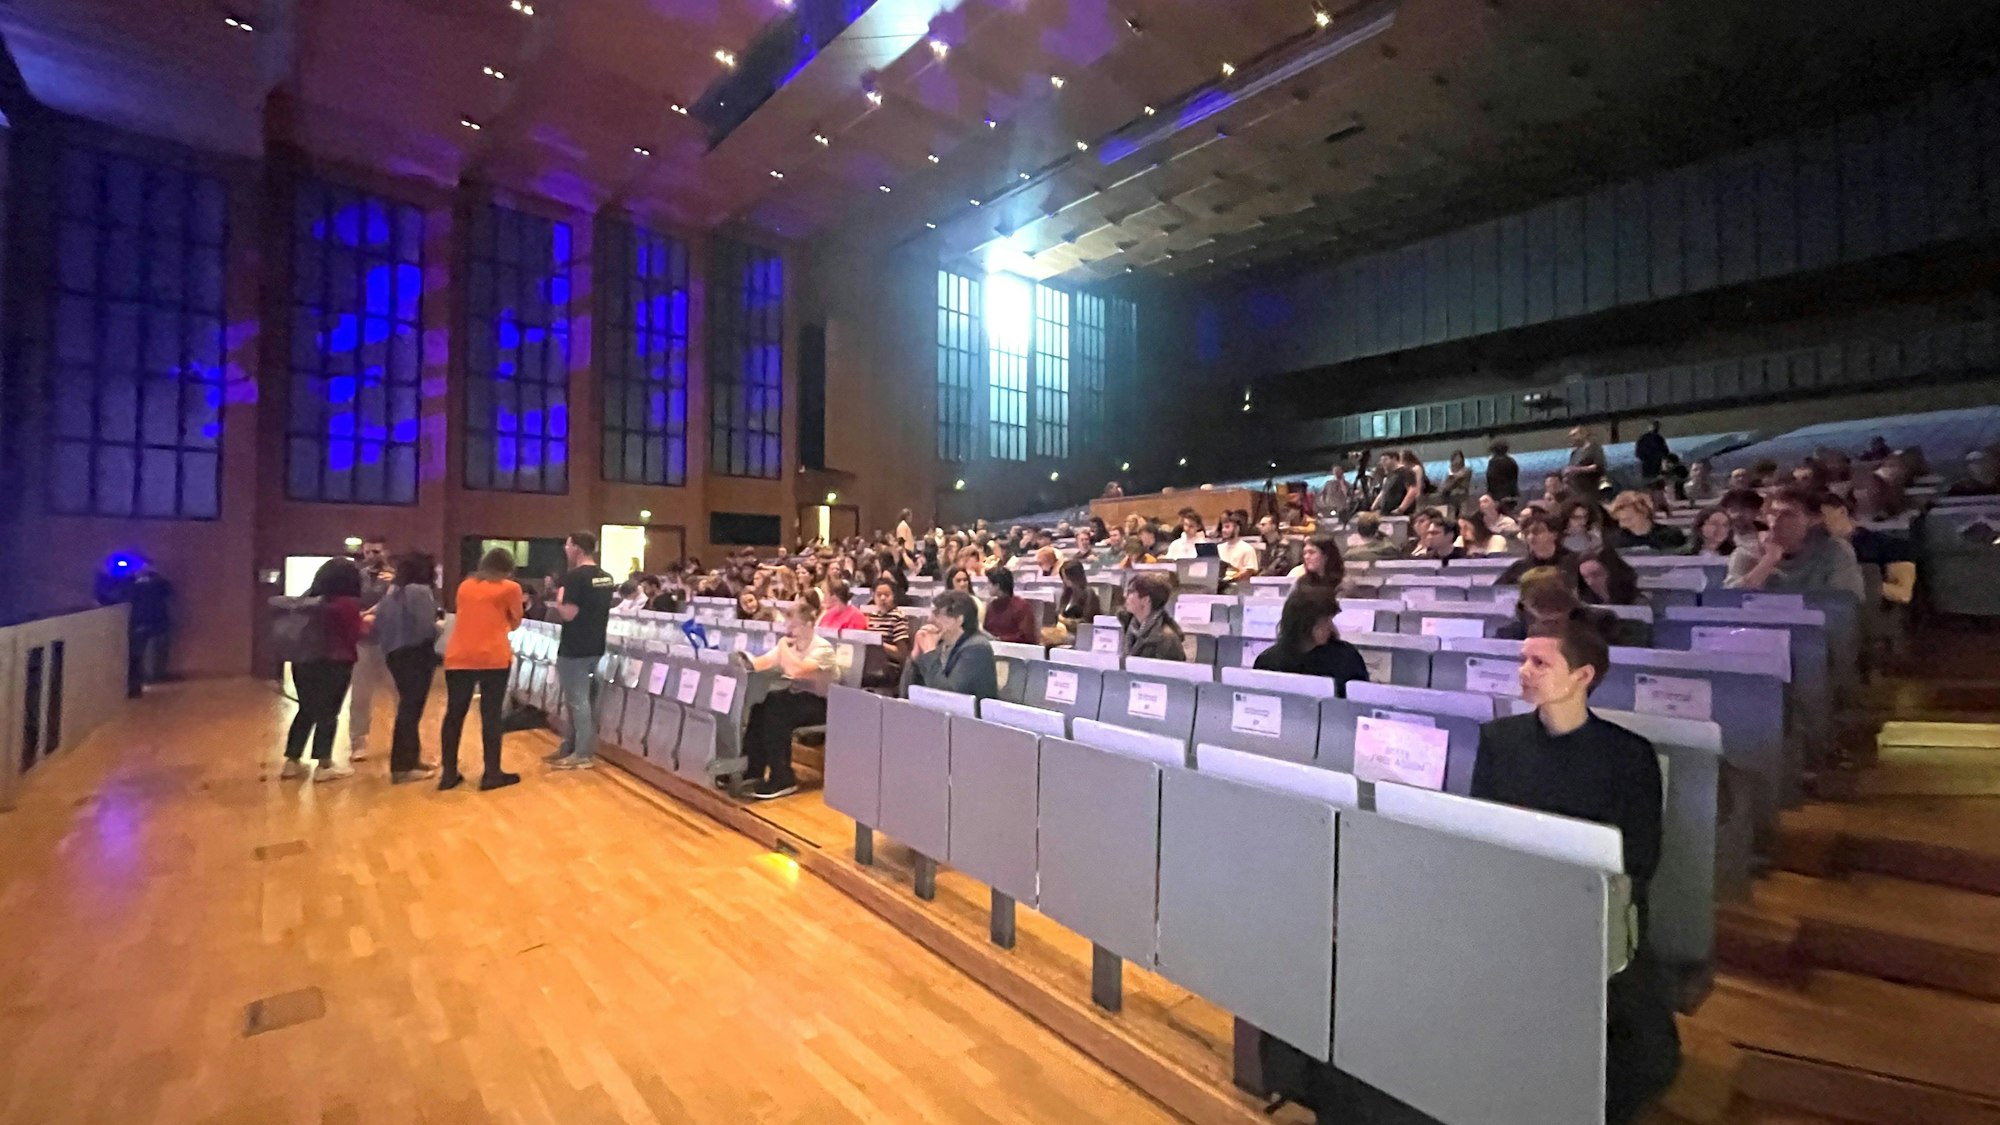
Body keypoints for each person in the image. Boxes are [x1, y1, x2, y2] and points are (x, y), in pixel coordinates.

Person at [1471, 621, 1679, 1124]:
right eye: (1523, 659)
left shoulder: (1629, 756)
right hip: (1515, 899)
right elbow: (1482, 831)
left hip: (1593, 906)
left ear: (1583, 675)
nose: (1524, 671)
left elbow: (1640, 860)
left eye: (1540, 663)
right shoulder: (1499, 740)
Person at [736, 592, 840, 800]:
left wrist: (783, 646)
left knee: (777, 707)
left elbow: (796, 670)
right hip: (796, 698)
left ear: (809, 624)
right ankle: (753, 770)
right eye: (787, 626)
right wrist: (743, 661)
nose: (788, 631)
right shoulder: (790, 645)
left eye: (793, 626)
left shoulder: (823, 648)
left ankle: (783, 777)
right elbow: (761, 664)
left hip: (823, 703)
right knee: (760, 705)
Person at [281, 558, 364, 782]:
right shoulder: (347, 603)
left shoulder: (308, 599)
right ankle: (324, 764)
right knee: (329, 712)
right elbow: (354, 632)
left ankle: (292, 761)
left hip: (304, 660)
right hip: (336, 661)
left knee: (306, 709)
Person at [547, 531, 618, 771]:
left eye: (567, 545)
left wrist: (558, 599)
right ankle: (570, 746)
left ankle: (582, 753)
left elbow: (569, 613)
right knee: (584, 700)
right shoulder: (606, 577)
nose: (566, 550)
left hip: (574, 646)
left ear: (576, 548)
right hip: (596, 644)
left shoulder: (574, 578)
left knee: (577, 701)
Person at [1724, 485, 1866, 600]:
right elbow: (1728, 602)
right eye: (1772, 513)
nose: (1775, 521)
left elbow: (1847, 602)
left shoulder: (1834, 550)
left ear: (1813, 520)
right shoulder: (1747, 551)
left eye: (1787, 514)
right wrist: (1767, 562)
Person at [373, 552, 442, 784]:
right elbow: (426, 628)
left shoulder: (393, 592)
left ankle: (411, 759)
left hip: (394, 653)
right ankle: (402, 766)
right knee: (410, 711)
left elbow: (379, 621)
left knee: (407, 708)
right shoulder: (419, 591)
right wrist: (441, 628)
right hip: (416, 653)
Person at [1252, 585, 1369, 695]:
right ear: (1303, 625)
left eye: (1330, 620)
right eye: (1323, 622)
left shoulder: (1345, 657)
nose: (1330, 627)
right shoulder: (1269, 662)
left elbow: (1359, 701)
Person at [1496, 566, 1643, 647]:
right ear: (1524, 602)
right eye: (1537, 602)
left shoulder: (1600, 623)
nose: (1548, 611)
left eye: (1555, 601)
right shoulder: (1509, 635)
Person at [96, 555, 172, 698]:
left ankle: (140, 684)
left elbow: (166, 589)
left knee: (146, 658)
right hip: (136, 623)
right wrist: (104, 575)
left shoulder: (156, 583)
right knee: (134, 657)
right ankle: (134, 686)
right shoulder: (129, 584)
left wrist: (152, 575)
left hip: (152, 624)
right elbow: (108, 597)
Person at [347, 535, 394, 764]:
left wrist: (394, 585)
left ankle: (403, 741)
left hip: (391, 642)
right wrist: (361, 614)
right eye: (368, 552)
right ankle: (358, 743)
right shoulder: (356, 577)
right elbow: (350, 601)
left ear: (386, 552)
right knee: (360, 696)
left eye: (376, 552)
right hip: (363, 641)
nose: (372, 557)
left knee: (399, 693)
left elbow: (397, 601)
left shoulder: (397, 578)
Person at [901, 590, 999, 699]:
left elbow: (948, 698)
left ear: (958, 620)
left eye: (937, 613)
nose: (930, 619)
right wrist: (916, 656)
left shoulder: (977, 648)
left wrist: (929, 653)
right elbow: (907, 693)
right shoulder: (941, 644)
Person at [1120, 572, 1187, 661]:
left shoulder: (1167, 640)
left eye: (1131, 592)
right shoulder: (1126, 626)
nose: (1125, 596)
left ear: (1146, 600)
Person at [862, 579, 913, 689]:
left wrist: (880, 645)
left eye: (887, 595)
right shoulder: (872, 616)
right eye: (879, 595)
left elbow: (901, 654)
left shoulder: (898, 616)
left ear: (894, 596)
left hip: (889, 666)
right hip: (871, 663)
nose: (882, 598)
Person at [1497, 515, 1577, 584]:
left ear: (1554, 534)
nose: (1531, 537)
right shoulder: (1519, 568)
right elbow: (1498, 593)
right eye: (1527, 533)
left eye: (1537, 532)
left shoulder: (1574, 562)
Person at [1606, 491, 1687, 551]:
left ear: (1644, 513)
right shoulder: (1614, 541)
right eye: (1620, 520)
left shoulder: (1671, 535)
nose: (1623, 524)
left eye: (1629, 519)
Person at [1046, 559, 1101, 647]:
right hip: (1062, 630)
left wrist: (1066, 621)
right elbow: (1059, 613)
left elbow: (1087, 622)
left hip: (1078, 633)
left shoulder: (1089, 594)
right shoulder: (1066, 594)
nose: (1065, 580)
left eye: (1066, 577)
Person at [981, 566, 1040, 645]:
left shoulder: (1022, 607)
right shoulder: (992, 606)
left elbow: (1026, 637)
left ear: (997, 585)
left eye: (989, 583)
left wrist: (1001, 639)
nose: (987, 586)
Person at [1577, 545, 1644, 607]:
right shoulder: (1584, 606)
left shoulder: (1639, 604)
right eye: (1585, 577)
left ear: (1614, 574)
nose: (1590, 583)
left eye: (1596, 575)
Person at [1214, 512, 1260, 586]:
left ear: (1237, 529)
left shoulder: (1247, 548)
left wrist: (1229, 579)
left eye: (1227, 527)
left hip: (1237, 587)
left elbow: (1249, 571)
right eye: (1223, 527)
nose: (1223, 530)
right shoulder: (1218, 548)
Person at [1565, 425, 1607, 496]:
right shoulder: (1574, 453)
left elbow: (1598, 466)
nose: (1572, 439)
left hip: (1591, 488)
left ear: (1583, 434)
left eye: (1574, 435)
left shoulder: (1594, 448)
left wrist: (1578, 469)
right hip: (1576, 490)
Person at [1439, 450, 1473, 517]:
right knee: (1451, 515)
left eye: (1459, 458)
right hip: (1451, 497)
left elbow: (1463, 483)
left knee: (1463, 515)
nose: (1457, 461)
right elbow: (1443, 486)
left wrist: (1453, 478)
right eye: (1455, 459)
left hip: (1462, 496)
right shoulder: (1448, 471)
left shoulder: (1467, 470)